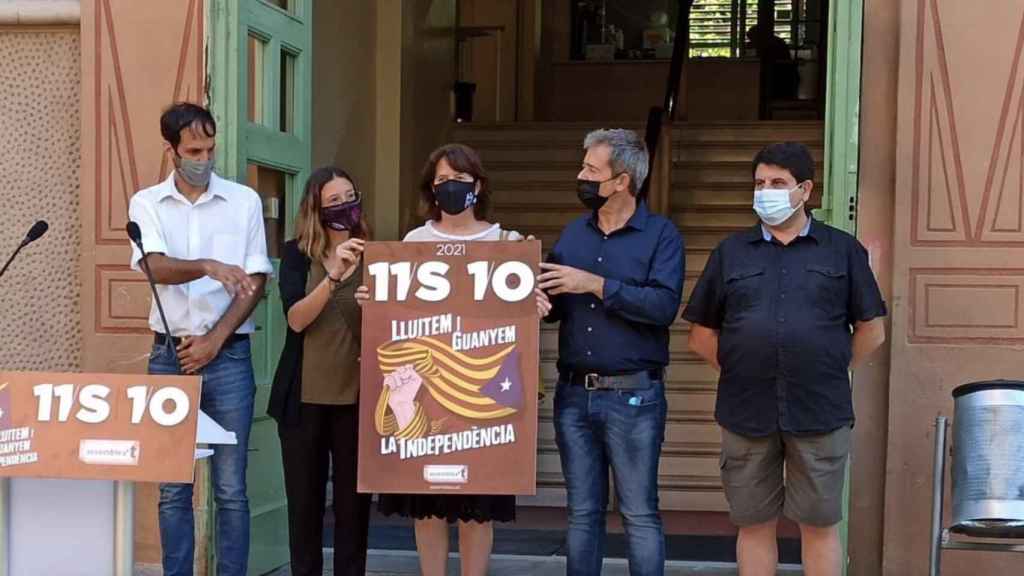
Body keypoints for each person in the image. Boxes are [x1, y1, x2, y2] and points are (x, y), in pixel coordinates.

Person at [682, 142, 887, 576]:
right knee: (753, 524)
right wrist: (744, 367)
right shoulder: (730, 253)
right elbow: (701, 335)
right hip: (745, 411)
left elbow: (872, 330)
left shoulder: (842, 251)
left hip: (819, 410)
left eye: (777, 183)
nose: (765, 192)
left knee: (819, 525)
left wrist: (828, 367)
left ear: (805, 189)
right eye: (759, 184)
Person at [358, 143, 550, 576]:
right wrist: (374, 300)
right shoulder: (414, 242)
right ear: (431, 187)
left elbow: (521, 319)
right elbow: (395, 313)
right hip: (429, 393)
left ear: (477, 186)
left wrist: (534, 306)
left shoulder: (509, 244)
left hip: (481, 400)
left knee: (477, 510)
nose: (450, 188)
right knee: (426, 507)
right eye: (442, 181)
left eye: (459, 180)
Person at [128, 102, 273, 576]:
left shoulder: (244, 201)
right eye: (193, 149)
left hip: (227, 356)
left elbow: (256, 279)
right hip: (168, 357)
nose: (204, 158)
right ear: (171, 150)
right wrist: (208, 265)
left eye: (210, 148)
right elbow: (153, 265)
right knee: (173, 487)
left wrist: (215, 338)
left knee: (231, 488)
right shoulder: (147, 203)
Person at [538, 128, 685, 576]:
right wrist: (542, 303)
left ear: (622, 181)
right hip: (573, 395)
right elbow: (558, 306)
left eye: (591, 170)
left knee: (639, 514)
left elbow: (662, 307)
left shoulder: (661, 235)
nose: (580, 176)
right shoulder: (573, 233)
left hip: (634, 396)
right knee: (582, 513)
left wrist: (597, 285)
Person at [267, 167, 371, 576]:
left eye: (350, 196)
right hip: (304, 400)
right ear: (317, 209)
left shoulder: (378, 254)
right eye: (334, 202)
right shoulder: (296, 254)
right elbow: (295, 319)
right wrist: (334, 277)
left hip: (357, 399)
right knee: (305, 509)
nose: (346, 206)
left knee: (353, 511)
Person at [747, 24, 800, 100]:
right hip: (786, 76)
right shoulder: (775, 41)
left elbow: (766, 62)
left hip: (782, 77)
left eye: (752, 40)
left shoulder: (769, 45)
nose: (752, 42)